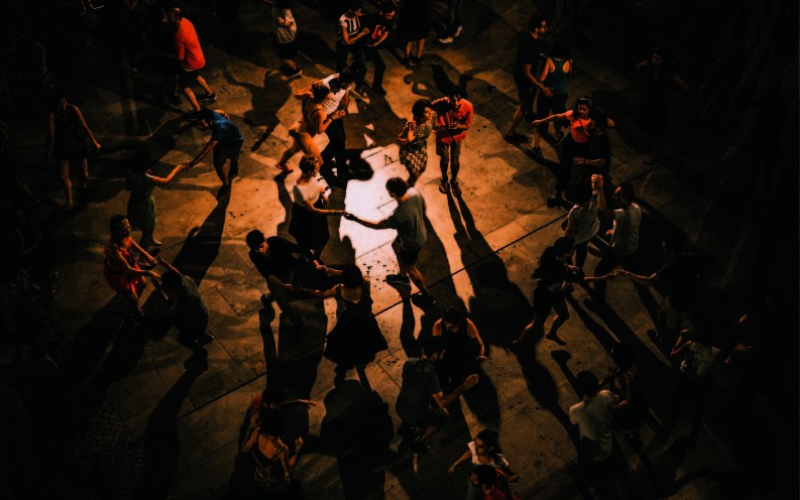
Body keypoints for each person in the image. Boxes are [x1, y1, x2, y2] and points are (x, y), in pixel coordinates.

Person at [345, 177, 435, 307]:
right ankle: (402, 277)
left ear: (392, 193)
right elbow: (424, 208)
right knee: (395, 245)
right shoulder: (414, 193)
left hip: (412, 243)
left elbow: (377, 225)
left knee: (412, 268)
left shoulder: (399, 215)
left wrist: (355, 219)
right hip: (417, 232)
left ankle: (428, 296)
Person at [511, 236, 612, 348]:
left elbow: (559, 263)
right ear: (568, 252)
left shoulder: (551, 252)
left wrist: (570, 267)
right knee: (537, 324)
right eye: (573, 248)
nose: (575, 250)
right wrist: (602, 278)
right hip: (543, 295)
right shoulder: (560, 270)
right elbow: (581, 280)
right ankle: (519, 344)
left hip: (555, 292)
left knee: (564, 315)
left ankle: (551, 334)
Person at [297, 264, 388, 389]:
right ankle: (358, 364)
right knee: (365, 346)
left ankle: (342, 370)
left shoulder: (340, 289)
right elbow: (355, 276)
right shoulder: (365, 284)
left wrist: (305, 289)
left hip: (349, 322)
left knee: (347, 348)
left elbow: (322, 294)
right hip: (366, 322)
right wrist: (336, 272)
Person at [395, 336, 479, 453]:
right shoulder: (430, 374)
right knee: (443, 415)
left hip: (400, 406)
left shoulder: (409, 362)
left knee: (416, 400)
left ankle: (407, 426)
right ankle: (419, 443)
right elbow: (442, 402)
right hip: (415, 414)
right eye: (442, 354)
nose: (442, 356)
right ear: (435, 355)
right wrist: (464, 386)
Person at [617, 233, 701, 344]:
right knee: (667, 313)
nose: (662, 244)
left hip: (677, 302)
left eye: (664, 242)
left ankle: (665, 339)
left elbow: (649, 281)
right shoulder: (691, 257)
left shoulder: (672, 266)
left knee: (668, 318)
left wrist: (627, 273)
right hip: (692, 298)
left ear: (669, 248)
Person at [245, 229, 332, 328]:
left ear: (265, 241)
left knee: (295, 288)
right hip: (275, 278)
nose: (261, 251)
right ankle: (298, 324)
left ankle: (267, 298)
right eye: (257, 249)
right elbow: (267, 274)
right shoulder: (253, 255)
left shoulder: (277, 242)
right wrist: (284, 285)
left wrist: (315, 263)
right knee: (283, 303)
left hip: (290, 271)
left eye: (262, 246)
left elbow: (302, 249)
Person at [587, 175, 641, 306]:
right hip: (632, 248)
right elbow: (627, 225)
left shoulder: (623, 214)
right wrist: (614, 232)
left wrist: (599, 188)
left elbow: (604, 210)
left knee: (599, 272)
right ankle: (640, 284)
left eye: (618, 196)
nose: (614, 198)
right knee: (633, 268)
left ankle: (599, 302)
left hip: (619, 251)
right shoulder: (636, 208)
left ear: (627, 199)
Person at [532, 96, 592, 207]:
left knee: (586, 172)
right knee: (564, 169)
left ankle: (585, 199)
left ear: (590, 110)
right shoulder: (573, 115)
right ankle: (558, 195)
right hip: (570, 144)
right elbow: (557, 117)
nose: (582, 111)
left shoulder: (592, 122)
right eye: (580, 108)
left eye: (585, 109)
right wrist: (542, 121)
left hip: (584, 147)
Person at [46, 94, 102, 209]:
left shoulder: (73, 109)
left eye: (64, 102)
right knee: (63, 176)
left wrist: (94, 142)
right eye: (60, 104)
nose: (63, 106)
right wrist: (49, 152)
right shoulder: (52, 115)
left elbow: (84, 126)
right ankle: (70, 201)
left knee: (85, 174)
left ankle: (83, 187)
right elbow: (52, 135)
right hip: (63, 145)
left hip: (77, 142)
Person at [636, 47, 690, 164]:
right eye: (653, 57)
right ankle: (648, 145)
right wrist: (649, 63)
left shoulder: (668, 73)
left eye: (658, 59)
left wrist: (670, 94)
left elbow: (685, 88)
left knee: (656, 131)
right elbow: (638, 66)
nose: (654, 60)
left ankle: (655, 155)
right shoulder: (651, 67)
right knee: (647, 126)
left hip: (659, 106)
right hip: (648, 101)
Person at [159, 259, 215, 369]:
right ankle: (203, 337)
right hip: (202, 314)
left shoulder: (184, 299)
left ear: (172, 288)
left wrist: (159, 290)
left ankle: (199, 352)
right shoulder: (185, 279)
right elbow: (175, 272)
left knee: (183, 338)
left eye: (165, 286)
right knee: (194, 330)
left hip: (195, 321)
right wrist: (164, 263)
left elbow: (170, 309)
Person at [277, 83, 344, 172]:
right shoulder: (320, 113)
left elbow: (297, 94)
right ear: (323, 97)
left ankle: (281, 164)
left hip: (300, 127)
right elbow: (320, 130)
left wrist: (312, 86)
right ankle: (306, 176)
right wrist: (332, 118)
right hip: (305, 134)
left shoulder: (309, 97)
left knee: (294, 148)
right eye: (328, 94)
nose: (330, 95)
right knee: (319, 161)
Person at [288, 156, 345, 260]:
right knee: (307, 240)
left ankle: (316, 257)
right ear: (309, 171)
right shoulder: (300, 188)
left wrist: (321, 194)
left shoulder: (311, 175)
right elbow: (312, 210)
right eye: (316, 168)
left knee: (324, 238)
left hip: (316, 205)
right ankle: (307, 255)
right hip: (306, 215)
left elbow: (315, 185)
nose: (319, 170)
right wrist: (334, 212)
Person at [103, 215, 159, 320]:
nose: (128, 231)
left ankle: (132, 299)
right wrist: (150, 273)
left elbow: (131, 243)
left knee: (143, 283)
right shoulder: (113, 249)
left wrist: (146, 254)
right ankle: (134, 311)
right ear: (115, 231)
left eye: (128, 227)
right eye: (124, 230)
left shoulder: (124, 236)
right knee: (134, 300)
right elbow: (128, 269)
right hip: (120, 275)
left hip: (129, 265)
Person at [125, 151, 183, 252]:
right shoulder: (148, 179)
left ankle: (150, 239)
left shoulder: (130, 172)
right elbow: (166, 180)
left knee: (148, 226)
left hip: (134, 201)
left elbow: (128, 187)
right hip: (145, 205)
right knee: (147, 230)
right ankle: (143, 257)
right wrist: (178, 168)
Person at [242, 404, 304, 496]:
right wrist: (297, 449)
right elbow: (288, 470)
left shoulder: (257, 433)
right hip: (273, 483)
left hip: (261, 480)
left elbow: (244, 449)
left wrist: (250, 427)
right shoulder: (282, 450)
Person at [504, 15, 547, 143]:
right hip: (524, 78)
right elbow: (526, 72)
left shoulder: (528, 36)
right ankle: (511, 134)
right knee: (522, 105)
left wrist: (539, 55)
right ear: (536, 28)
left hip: (522, 74)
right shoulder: (530, 46)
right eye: (544, 26)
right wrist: (541, 86)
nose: (546, 28)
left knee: (529, 98)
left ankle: (529, 113)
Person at [166, 5, 217, 112]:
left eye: (169, 18)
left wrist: (169, 56)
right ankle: (211, 94)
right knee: (196, 75)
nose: (167, 19)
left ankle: (198, 111)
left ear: (176, 19)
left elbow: (180, 56)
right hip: (198, 57)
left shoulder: (178, 35)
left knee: (184, 85)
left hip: (190, 63)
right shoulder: (186, 21)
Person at [182, 108, 243, 189]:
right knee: (218, 164)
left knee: (232, 156)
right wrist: (224, 114)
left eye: (201, 124)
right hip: (223, 139)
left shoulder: (219, 128)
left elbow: (206, 151)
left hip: (234, 141)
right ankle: (226, 183)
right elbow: (221, 111)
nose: (200, 127)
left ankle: (233, 165)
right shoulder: (211, 114)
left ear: (209, 120)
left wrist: (190, 165)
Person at [449, 429, 519, 500]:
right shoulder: (476, 451)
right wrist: (455, 464)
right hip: (475, 484)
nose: (475, 448)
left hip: (490, 489)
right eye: (476, 443)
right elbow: (469, 453)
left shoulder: (498, 461)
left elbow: (515, 476)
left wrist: (505, 479)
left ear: (489, 448)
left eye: (480, 447)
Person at [569, 370, 619, 463]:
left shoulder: (576, 410)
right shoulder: (606, 394)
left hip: (594, 455)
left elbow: (573, 422)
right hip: (608, 446)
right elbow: (616, 399)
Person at [431, 85, 473, 196]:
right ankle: (444, 178)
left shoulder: (468, 107)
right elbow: (428, 111)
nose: (455, 103)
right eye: (453, 100)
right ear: (448, 97)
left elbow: (467, 126)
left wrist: (459, 126)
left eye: (458, 100)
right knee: (444, 160)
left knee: (455, 160)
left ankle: (454, 181)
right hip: (443, 136)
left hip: (457, 137)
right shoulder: (439, 104)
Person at [432, 306, 487, 389]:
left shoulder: (467, 324)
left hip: (463, 353)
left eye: (450, 326)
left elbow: (480, 344)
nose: (446, 327)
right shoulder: (438, 325)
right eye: (445, 323)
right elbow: (434, 344)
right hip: (448, 354)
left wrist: (481, 354)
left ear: (457, 323)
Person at [532, 39, 572, 152]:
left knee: (541, 117)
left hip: (547, 93)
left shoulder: (550, 61)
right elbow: (568, 74)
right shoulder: (569, 61)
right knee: (558, 116)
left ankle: (536, 146)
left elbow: (542, 78)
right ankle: (556, 136)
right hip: (561, 94)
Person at [318, 70, 356, 178]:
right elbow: (312, 99)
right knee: (339, 142)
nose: (348, 86)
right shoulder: (325, 84)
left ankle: (323, 158)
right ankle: (342, 171)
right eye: (347, 84)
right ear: (340, 80)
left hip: (335, 113)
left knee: (342, 138)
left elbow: (345, 99)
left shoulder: (346, 84)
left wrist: (343, 108)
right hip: (325, 116)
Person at [358, 1, 396, 95]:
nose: (390, 17)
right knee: (364, 67)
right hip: (362, 45)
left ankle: (376, 86)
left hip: (372, 45)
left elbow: (386, 31)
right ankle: (355, 84)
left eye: (392, 15)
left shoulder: (389, 18)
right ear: (381, 12)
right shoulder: (371, 18)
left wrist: (378, 42)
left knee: (380, 66)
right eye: (388, 15)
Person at [398, 99, 434, 186]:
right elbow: (400, 138)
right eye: (427, 112)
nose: (430, 114)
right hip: (410, 151)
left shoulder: (430, 120)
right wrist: (409, 140)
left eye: (431, 111)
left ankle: (411, 184)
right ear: (420, 114)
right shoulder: (412, 124)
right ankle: (408, 187)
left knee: (422, 169)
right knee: (414, 175)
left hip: (421, 148)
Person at [563, 182, 599, 271]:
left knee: (573, 248)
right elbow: (596, 190)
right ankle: (579, 267)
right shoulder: (595, 199)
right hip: (592, 229)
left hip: (580, 236)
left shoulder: (575, 212)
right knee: (582, 250)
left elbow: (569, 229)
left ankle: (570, 264)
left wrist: (565, 242)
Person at [335, 0, 369, 93]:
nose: (358, 13)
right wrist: (361, 34)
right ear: (350, 10)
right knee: (341, 66)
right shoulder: (343, 21)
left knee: (363, 67)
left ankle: (359, 85)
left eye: (359, 11)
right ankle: (340, 85)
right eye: (357, 11)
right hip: (343, 44)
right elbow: (347, 41)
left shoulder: (356, 15)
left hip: (355, 43)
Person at [273, 0, 302, 79]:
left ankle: (296, 70)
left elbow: (290, 22)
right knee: (286, 54)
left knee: (283, 56)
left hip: (287, 37)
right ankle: (288, 65)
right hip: (283, 36)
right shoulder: (277, 6)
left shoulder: (285, 10)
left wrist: (282, 22)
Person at [397, 0, 431, 65]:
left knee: (409, 32)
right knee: (422, 32)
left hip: (410, 7)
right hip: (422, 8)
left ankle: (406, 57)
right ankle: (418, 57)